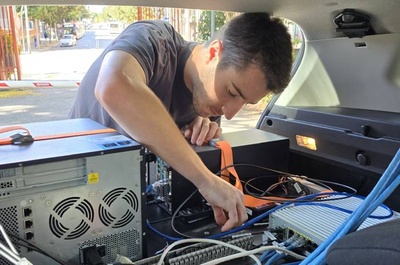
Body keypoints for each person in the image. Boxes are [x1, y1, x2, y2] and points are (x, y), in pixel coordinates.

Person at [69, 12, 293, 232]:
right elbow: (114, 87)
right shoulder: (154, 41)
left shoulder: (209, 105)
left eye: (246, 103)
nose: (231, 112)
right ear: (214, 52)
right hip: (74, 200)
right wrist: (206, 181)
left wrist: (203, 141)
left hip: (131, 206)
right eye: (232, 92)